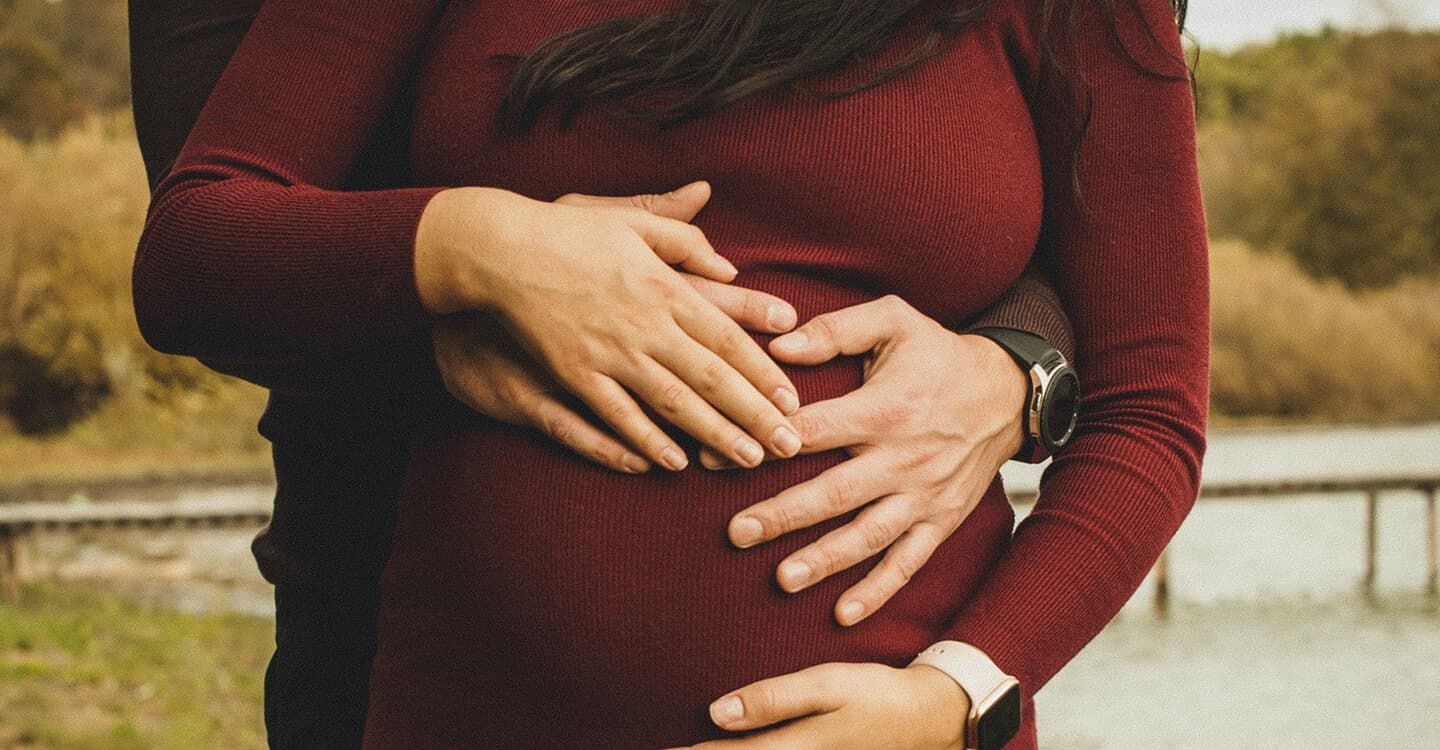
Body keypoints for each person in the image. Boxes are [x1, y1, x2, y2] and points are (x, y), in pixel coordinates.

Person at [132, 0, 1207, 747]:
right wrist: (474, 245)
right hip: (461, 702)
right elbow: (195, 251)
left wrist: (959, 698)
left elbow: (1150, 409)